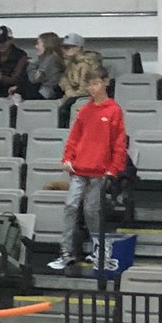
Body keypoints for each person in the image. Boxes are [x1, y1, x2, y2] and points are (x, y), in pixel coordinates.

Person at [50, 67, 126, 270]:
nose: (92, 88)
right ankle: (66, 251)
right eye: (90, 84)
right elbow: (74, 137)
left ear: (105, 83)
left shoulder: (114, 110)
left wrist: (114, 168)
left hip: (100, 171)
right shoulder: (84, 110)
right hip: (79, 168)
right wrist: (67, 157)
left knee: (92, 210)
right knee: (70, 206)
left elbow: (118, 143)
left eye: (96, 83)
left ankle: (99, 250)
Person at [58, 33, 104, 126]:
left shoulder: (86, 64)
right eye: (64, 47)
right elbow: (64, 81)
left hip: (84, 97)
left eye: (69, 47)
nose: (64, 51)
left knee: (64, 110)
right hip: (71, 95)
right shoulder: (71, 64)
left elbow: (85, 89)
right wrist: (68, 90)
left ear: (78, 48)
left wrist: (70, 93)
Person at [16, 32, 65, 101]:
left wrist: (31, 64)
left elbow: (35, 79)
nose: (36, 47)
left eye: (38, 43)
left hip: (47, 93)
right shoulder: (50, 58)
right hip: (46, 90)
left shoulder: (50, 60)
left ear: (47, 45)